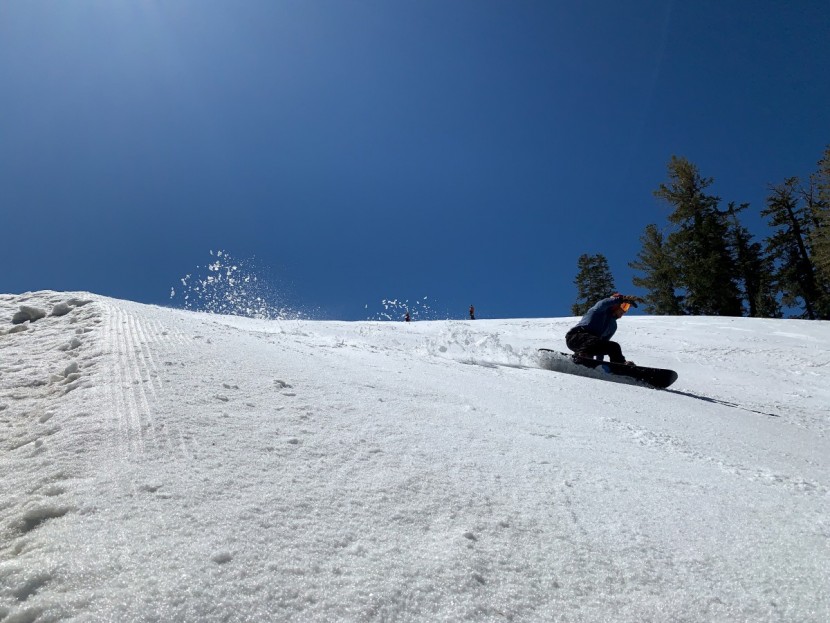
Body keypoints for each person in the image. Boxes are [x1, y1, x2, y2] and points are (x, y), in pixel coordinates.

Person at [565, 293, 642, 365]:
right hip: (575, 337)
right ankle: (581, 357)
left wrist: (599, 364)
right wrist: (621, 299)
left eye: (627, 307)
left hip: (591, 344)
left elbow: (602, 344)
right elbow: (604, 303)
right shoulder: (599, 310)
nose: (625, 311)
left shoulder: (613, 326)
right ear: (615, 305)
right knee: (591, 340)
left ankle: (620, 366)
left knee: (614, 346)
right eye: (624, 306)